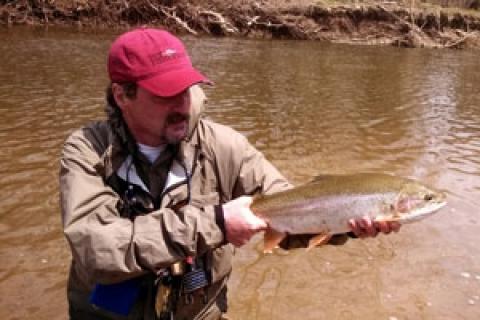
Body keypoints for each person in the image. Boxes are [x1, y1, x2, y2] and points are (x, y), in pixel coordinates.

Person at [59, 27, 400, 320]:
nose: (182, 105)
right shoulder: (87, 151)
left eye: (185, 89)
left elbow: (288, 205)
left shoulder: (225, 146)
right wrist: (217, 223)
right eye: (166, 94)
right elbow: (96, 250)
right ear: (123, 95)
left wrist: (348, 219)